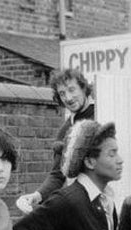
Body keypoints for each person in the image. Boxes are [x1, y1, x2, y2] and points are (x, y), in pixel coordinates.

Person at [15, 68, 95, 214]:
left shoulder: (102, 114)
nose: (68, 98)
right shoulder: (65, 129)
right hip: (79, 207)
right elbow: (58, 175)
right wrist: (37, 196)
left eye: (72, 90)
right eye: (62, 93)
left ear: (84, 88)